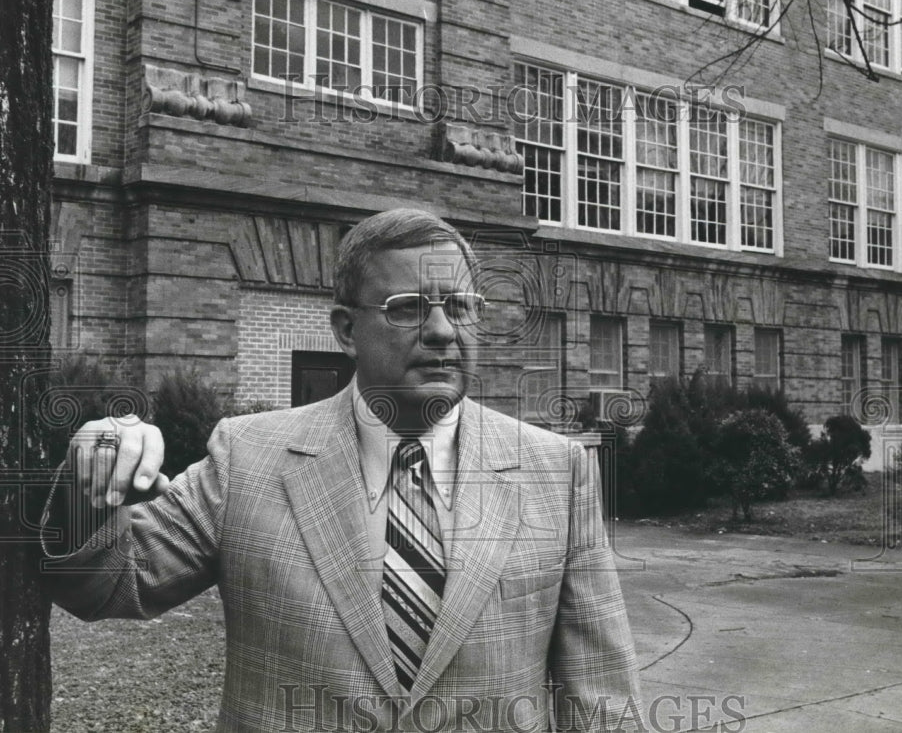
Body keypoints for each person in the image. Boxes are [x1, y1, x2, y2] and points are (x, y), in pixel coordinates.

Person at [43, 208, 643, 731]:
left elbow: (602, 697)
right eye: (408, 308)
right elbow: (103, 586)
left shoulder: (556, 471)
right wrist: (88, 479)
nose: (441, 330)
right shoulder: (247, 458)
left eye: (460, 307)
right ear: (346, 330)